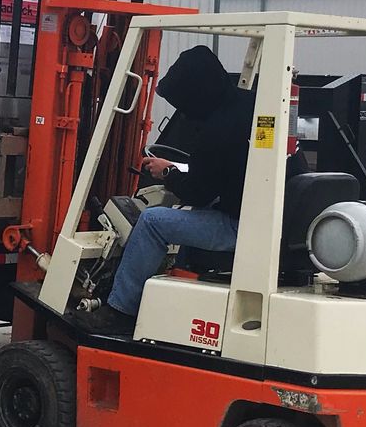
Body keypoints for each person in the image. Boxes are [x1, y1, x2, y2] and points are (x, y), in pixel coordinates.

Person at [90, 46, 255, 333]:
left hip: (238, 226)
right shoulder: (250, 105)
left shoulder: (217, 130)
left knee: (153, 222)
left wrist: (166, 172)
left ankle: (119, 310)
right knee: (196, 213)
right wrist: (179, 169)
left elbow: (197, 192)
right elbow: (220, 171)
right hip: (261, 218)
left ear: (196, 93)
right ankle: (174, 282)